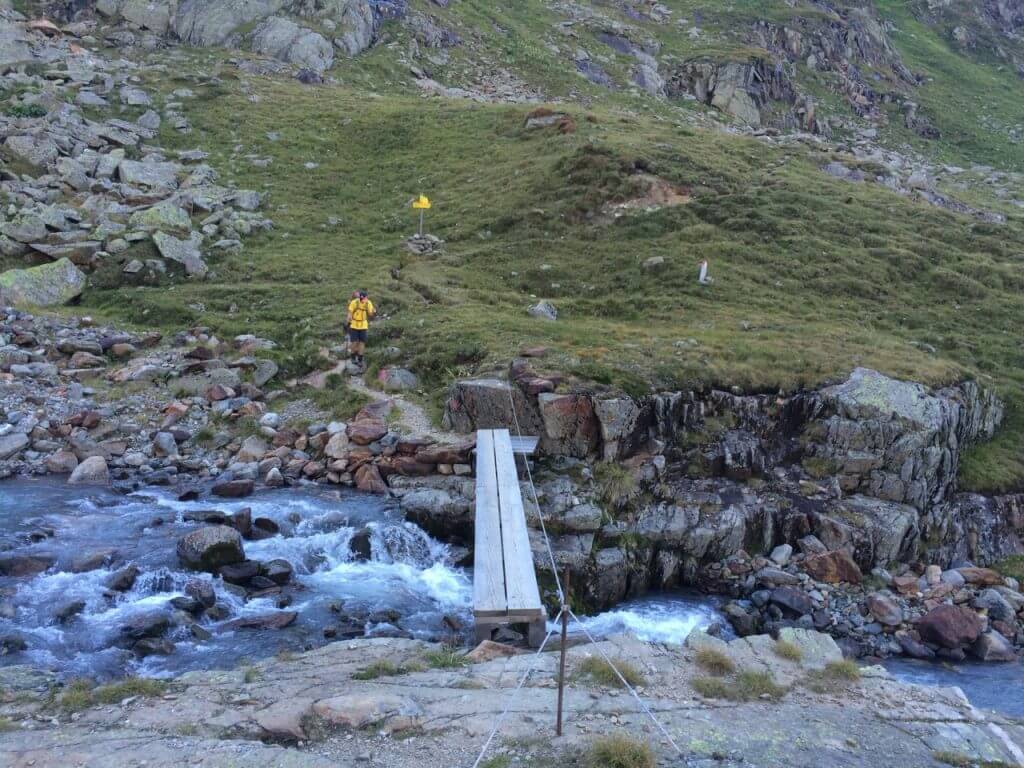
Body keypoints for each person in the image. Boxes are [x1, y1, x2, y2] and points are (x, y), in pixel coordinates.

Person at [346, 290, 375, 367]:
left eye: (364, 299)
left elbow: (370, 313)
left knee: (362, 342)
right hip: (354, 325)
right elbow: (350, 311)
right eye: (361, 299)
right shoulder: (354, 302)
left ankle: (360, 359)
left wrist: (372, 311)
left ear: (366, 297)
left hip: (363, 325)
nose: (362, 300)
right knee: (354, 342)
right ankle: (352, 356)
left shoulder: (368, 303)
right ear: (359, 297)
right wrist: (349, 317)